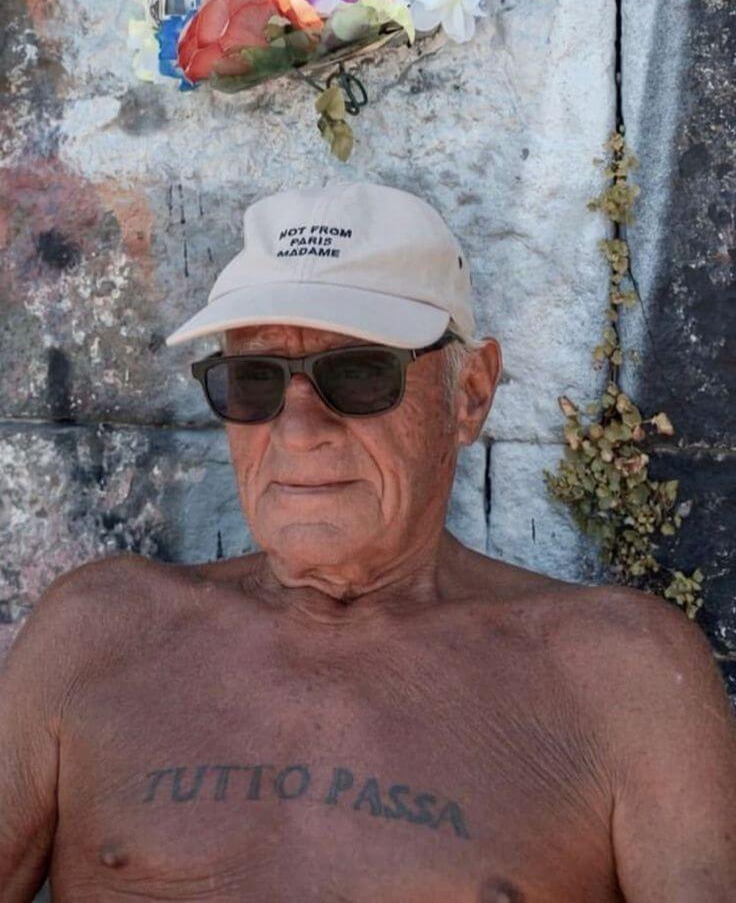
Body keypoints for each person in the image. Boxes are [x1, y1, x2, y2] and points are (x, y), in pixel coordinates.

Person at [1, 181, 735, 902]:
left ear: (470, 393)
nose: (297, 430)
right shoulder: (98, 631)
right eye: (252, 380)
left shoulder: (618, 675)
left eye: (357, 374)